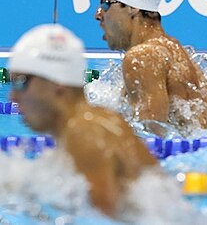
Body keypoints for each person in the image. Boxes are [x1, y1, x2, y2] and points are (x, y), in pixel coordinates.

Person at [8, 24, 158, 217]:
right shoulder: (95, 121)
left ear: (56, 83)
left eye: (20, 82)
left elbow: (102, 220)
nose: (12, 96)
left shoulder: (85, 132)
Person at [95, 0, 207, 134]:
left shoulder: (142, 57)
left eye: (105, 4)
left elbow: (150, 138)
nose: (98, 14)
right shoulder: (170, 48)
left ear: (132, 7)